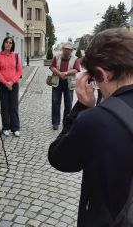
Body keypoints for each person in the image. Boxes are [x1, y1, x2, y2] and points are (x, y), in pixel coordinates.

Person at [48, 28, 133, 226]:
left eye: (94, 80)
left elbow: (59, 158)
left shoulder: (98, 120)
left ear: (102, 74)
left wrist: (82, 107)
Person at [49, 42, 80, 130]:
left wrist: (65, 73)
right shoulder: (57, 56)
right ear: (63, 49)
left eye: (68, 49)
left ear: (71, 51)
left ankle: (66, 123)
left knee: (69, 104)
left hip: (69, 83)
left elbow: (76, 69)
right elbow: (52, 67)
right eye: (65, 49)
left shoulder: (75, 59)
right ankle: (55, 122)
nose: (66, 51)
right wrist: (59, 73)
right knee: (55, 103)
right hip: (57, 82)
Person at [0, 36, 22, 137]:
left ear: (12, 45)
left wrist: (11, 82)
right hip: (3, 85)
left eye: (10, 43)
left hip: (14, 85)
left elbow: (19, 71)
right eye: (6, 42)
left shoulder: (15, 56)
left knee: (14, 106)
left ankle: (15, 128)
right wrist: (5, 83)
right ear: (3, 43)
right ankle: (6, 127)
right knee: (5, 107)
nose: (8, 44)